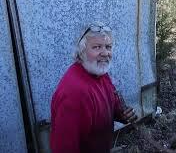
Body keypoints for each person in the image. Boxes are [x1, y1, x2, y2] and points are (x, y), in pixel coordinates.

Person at [50, 22, 138, 153]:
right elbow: (64, 148)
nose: (105, 53)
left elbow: (108, 107)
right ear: (82, 52)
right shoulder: (75, 93)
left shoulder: (101, 74)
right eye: (97, 47)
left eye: (108, 47)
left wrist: (122, 114)